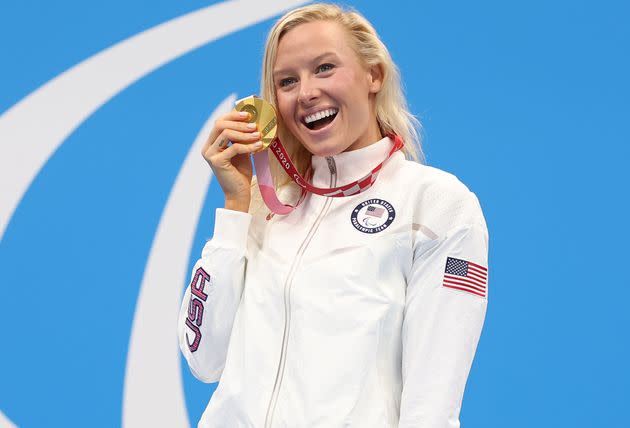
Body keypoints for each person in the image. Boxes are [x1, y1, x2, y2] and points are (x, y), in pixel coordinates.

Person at [178, 3, 489, 427]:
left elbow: (433, 405)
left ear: (374, 75)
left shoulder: (437, 205)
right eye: (287, 81)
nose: (305, 92)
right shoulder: (264, 209)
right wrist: (235, 207)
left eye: (324, 68)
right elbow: (203, 359)